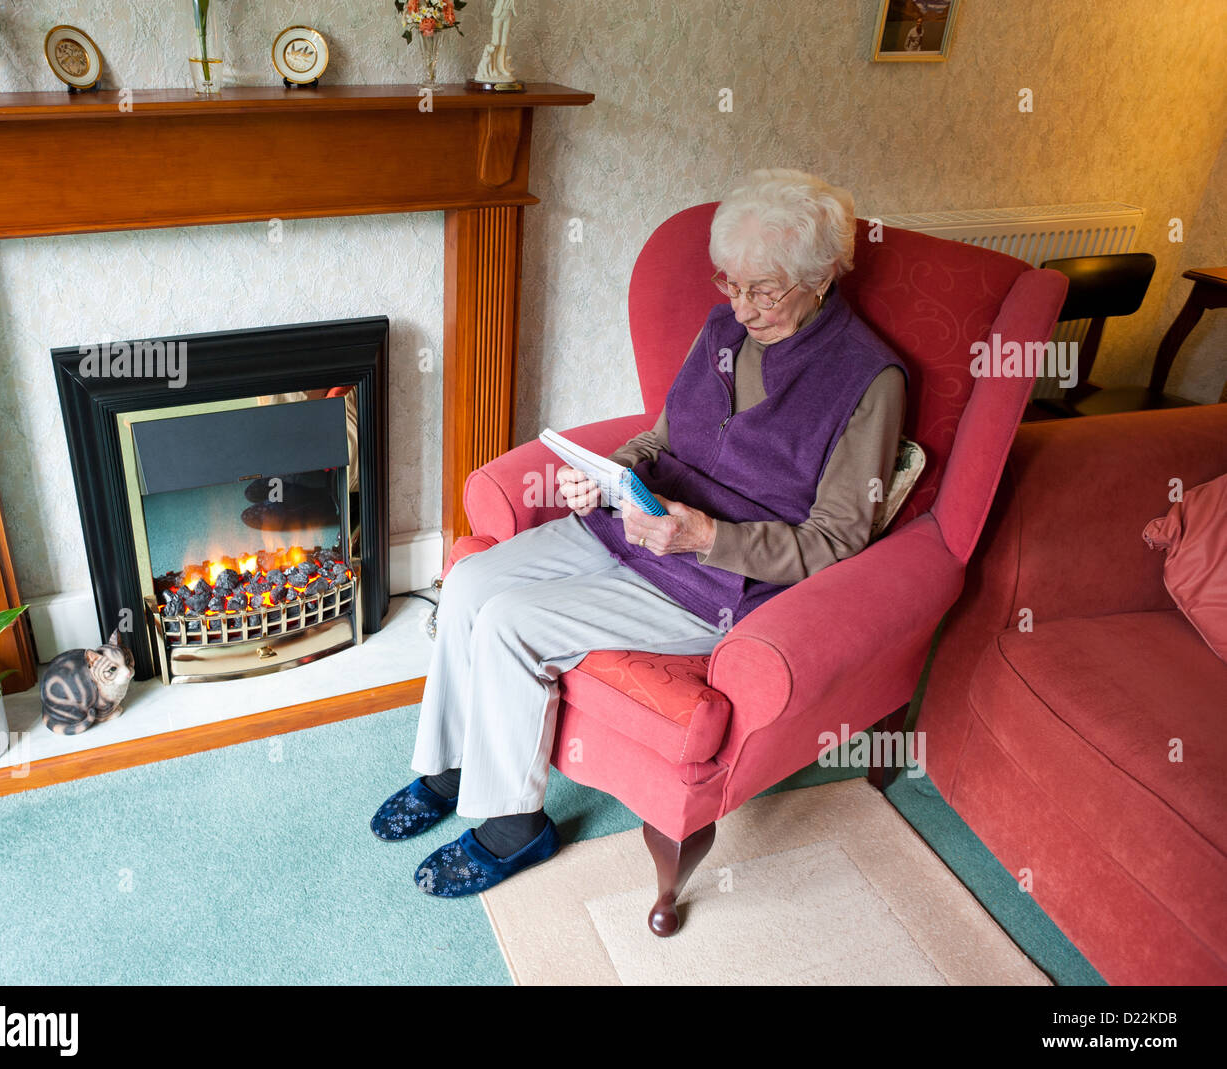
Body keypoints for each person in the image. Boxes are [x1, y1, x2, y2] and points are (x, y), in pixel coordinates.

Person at [370, 167, 908, 898]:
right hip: (627, 527)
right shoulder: (722, 327)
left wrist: (708, 538)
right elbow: (659, 438)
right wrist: (608, 473)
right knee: (467, 581)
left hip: (711, 585)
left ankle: (512, 829)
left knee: (507, 622)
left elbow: (836, 544)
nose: (742, 306)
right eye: (732, 283)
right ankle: (450, 766)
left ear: (822, 276)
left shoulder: (868, 381)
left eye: (765, 289)